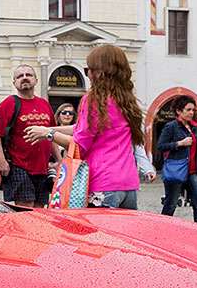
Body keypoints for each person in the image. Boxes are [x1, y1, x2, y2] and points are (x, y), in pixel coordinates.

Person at [26, 44, 149, 209]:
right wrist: (49, 129)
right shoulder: (126, 101)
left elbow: (78, 146)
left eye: (88, 69)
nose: (88, 75)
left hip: (102, 183)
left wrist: (48, 135)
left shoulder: (93, 100)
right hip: (128, 184)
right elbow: (86, 129)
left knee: (97, 235)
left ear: (99, 72)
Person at [0, 64, 55, 207]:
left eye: (28, 75)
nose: (24, 78)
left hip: (42, 168)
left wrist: (59, 160)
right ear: (14, 83)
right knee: (25, 209)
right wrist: (0, 160)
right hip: (19, 165)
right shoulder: (9, 103)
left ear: (36, 80)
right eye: (20, 76)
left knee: (39, 210)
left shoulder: (45, 104)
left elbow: (52, 134)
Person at [156, 95, 197, 224]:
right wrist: (180, 143)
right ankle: (163, 227)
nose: (191, 113)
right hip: (176, 170)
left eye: (193, 110)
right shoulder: (170, 127)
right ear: (179, 111)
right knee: (171, 204)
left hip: (192, 172)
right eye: (188, 109)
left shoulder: (194, 127)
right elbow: (161, 146)